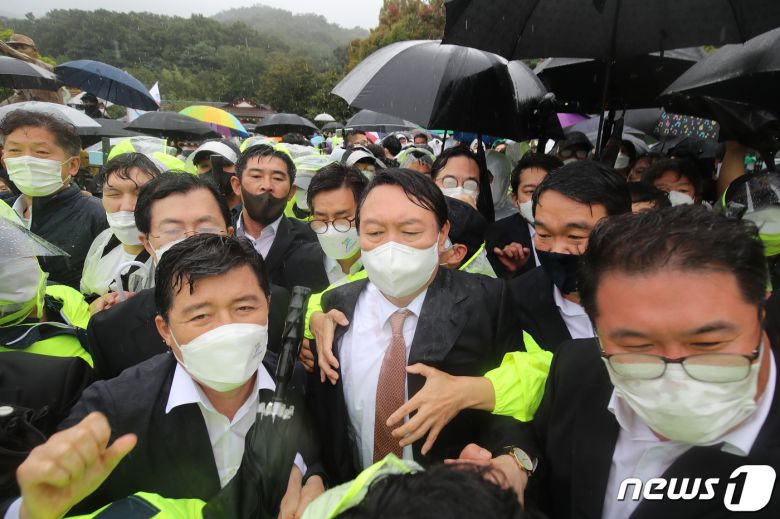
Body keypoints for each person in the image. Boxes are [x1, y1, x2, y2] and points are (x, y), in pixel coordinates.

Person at [464, 205, 780, 518]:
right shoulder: (580, 368)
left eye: (708, 343)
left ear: (760, 311)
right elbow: (543, 449)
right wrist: (515, 466)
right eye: (636, 345)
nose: (674, 373)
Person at [6, 235, 324, 518]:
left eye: (244, 308)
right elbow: (57, 496)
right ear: (165, 330)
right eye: (200, 315)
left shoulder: (292, 377)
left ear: (267, 307)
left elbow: (311, 452)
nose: (227, 328)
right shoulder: (113, 410)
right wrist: (30, 512)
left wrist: (313, 478)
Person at [305, 168, 524, 484]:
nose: (391, 248)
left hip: (448, 495)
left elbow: (527, 386)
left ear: (441, 232)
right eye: (375, 232)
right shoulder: (335, 306)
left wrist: (506, 456)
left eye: (409, 232)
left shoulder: (487, 300)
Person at [1, 110, 108, 289]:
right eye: (15, 150)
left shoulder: (97, 216)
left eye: (41, 152)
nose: (26, 160)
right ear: (4, 160)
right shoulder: (3, 211)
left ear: (72, 165)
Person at [232, 144, 329, 293]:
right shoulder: (218, 234)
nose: (267, 186)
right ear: (237, 185)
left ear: (291, 192)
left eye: (277, 178)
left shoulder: (314, 240)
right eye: (256, 176)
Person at [80, 153, 160, 304]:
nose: (127, 206)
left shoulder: (173, 253)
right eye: (114, 194)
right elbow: (86, 294)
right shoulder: (104, 241)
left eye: (141, 194)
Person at [486, 153, 564, 279]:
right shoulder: (496, 235)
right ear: (515, 200)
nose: (539, 198)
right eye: (530, 191)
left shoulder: (584, 234)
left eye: (549, 189)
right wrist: (509, 271)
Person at [190, 139, 242, 222]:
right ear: (197, 172)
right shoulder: (190, 212)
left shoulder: (253, 211)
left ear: (240, 169)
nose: (214, 171)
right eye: (205, 166)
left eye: (224, 164)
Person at [430, 144, 482, 209]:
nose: (459, 191)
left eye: (470, 185)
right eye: (449, 182)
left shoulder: (479, 218)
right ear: (432, 184)